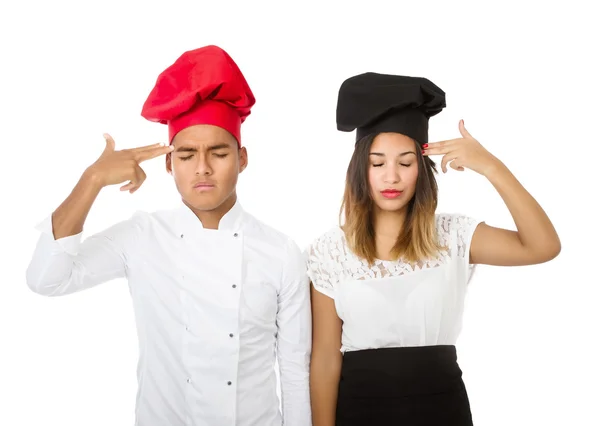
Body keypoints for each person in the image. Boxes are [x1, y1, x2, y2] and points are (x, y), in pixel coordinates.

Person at [26, 45, 312, 426]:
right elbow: (47, 280)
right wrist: (92, 179)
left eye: (219, 153)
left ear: (242, 158)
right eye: (187, 154)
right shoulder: (141, 237)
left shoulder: (281, 252)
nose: (203, 168)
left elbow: (294, 373)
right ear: (168, 163)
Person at [306, 72, 561, 425]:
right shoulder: (328, 251)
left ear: (421, 169)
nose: (391, 177)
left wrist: (490, 166)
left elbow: (543, 246)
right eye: (377, 163)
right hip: (359, 410)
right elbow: (324, 359)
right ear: (359, 170)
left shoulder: (454, 235)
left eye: (405, 163)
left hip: (442, 409)